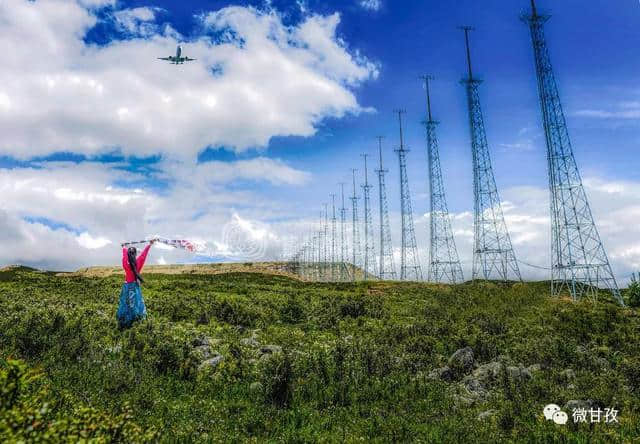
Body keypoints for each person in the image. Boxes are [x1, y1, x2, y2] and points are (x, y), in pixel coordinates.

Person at [117, 239, 156, 329]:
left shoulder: (125, 262)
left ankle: (124, 320)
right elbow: (144, 254)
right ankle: (137, 319)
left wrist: (123, 247)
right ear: (135, 254)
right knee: (136, 302)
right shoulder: (138, 262)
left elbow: (124, 254)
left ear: (128, 254)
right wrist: (150, 244)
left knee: (126, 302)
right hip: (134, 286)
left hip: (126, 286)